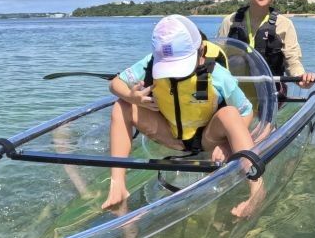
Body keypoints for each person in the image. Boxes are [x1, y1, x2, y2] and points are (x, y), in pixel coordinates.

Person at [102, 15, 265, 218]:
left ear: (201, 50)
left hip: (208, 138)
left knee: (230, 113)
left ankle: (257, 188)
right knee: (121, 106)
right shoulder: (149, 64)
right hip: (170, 135)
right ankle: (118, 185)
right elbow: (114, 84)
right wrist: (132, 96)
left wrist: (226, 145)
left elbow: (246, 111)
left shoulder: (218, 75)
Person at [217, 0, 315, 89]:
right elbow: (218, 57)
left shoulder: (284, 24)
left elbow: (292, 61)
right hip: (235, 91)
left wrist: (301, 77)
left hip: (271, 91)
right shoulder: (230, 21)